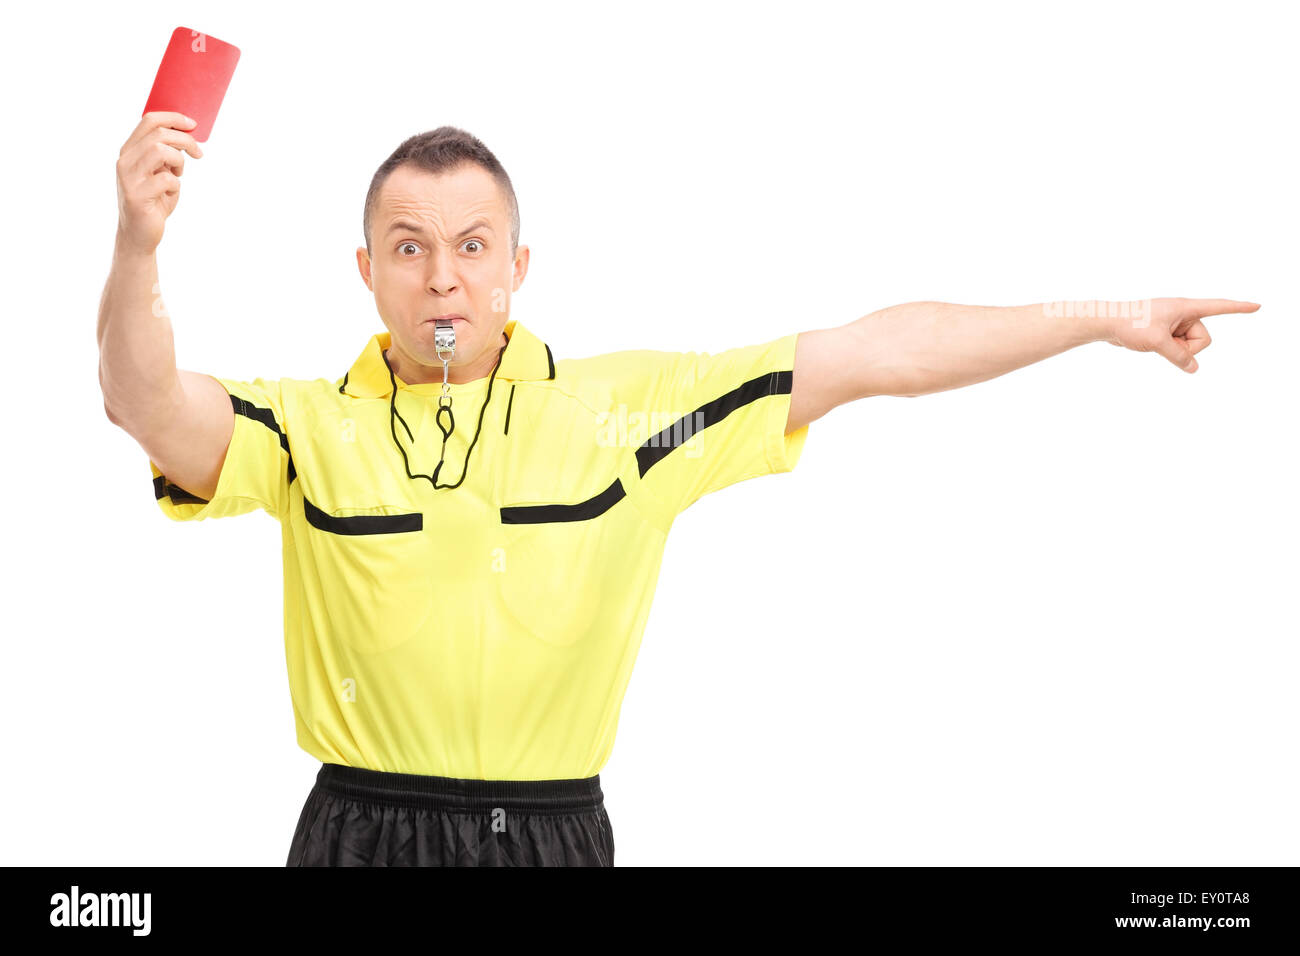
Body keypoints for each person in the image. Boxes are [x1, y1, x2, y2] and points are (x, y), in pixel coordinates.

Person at [100, 112, 1260, 866]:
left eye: (470, 244)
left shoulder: (622, 415)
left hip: (553, 831)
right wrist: (138, 246)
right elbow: (145, 401)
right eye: (407, 246)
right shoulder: (308, 425)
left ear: (517, 267)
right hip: (359, 830)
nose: (441, 274)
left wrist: (1098, 317)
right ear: (367, 273)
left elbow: (875, 352)